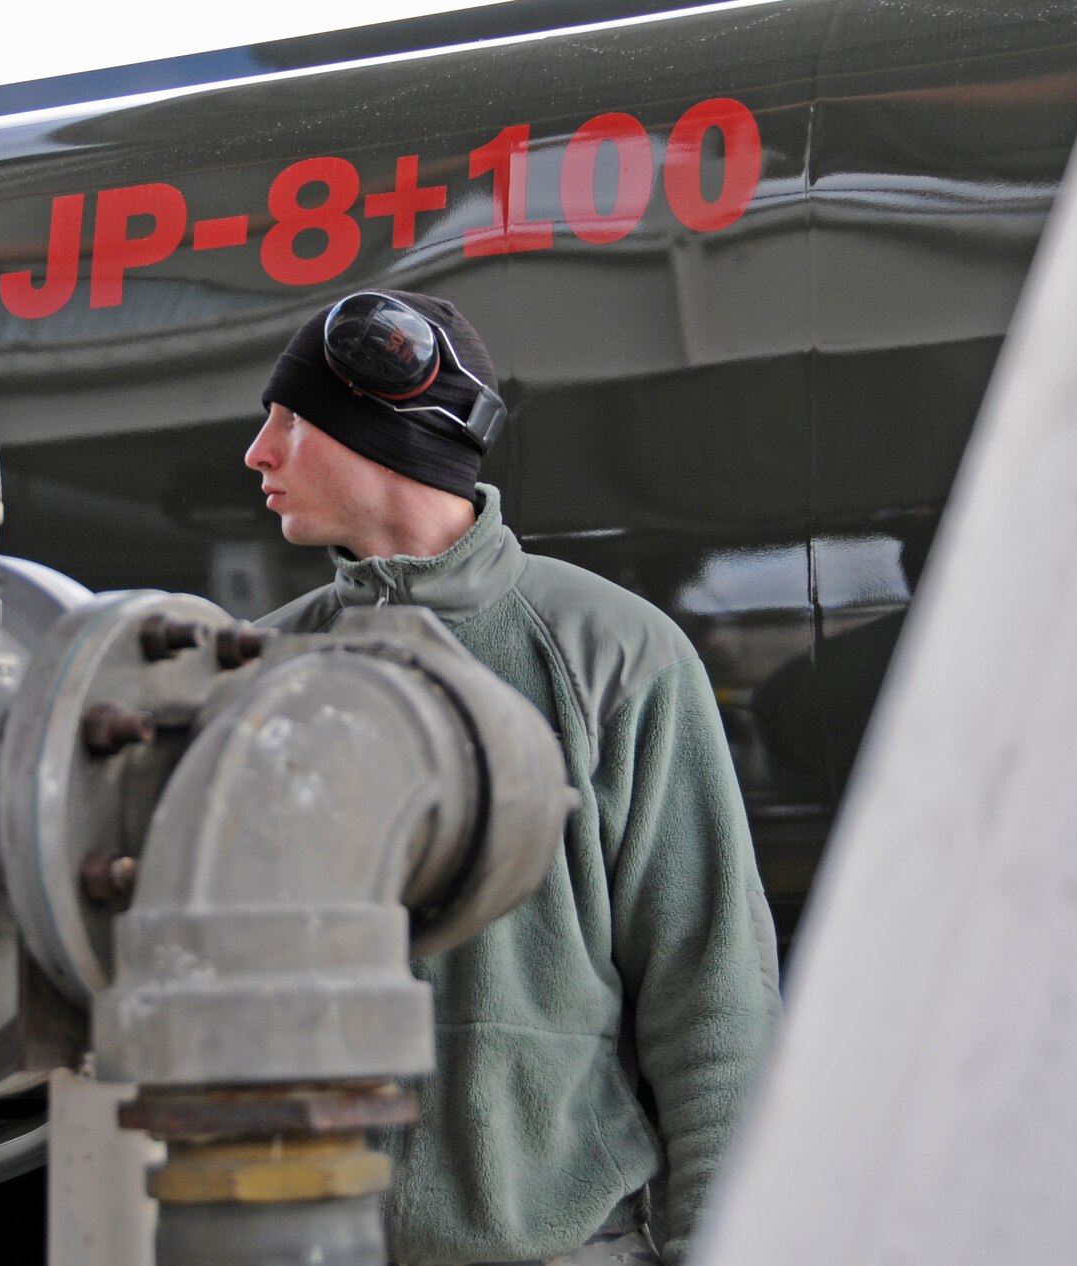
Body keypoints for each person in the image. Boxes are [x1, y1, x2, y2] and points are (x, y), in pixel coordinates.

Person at [245, 291, 781, 1266]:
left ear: (383, 436)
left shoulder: (613, 653)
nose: (258, 452)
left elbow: (711, 999)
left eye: (287, 419)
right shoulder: (252, 672)